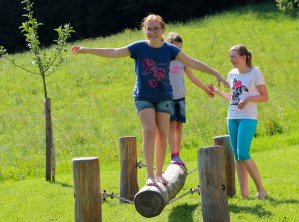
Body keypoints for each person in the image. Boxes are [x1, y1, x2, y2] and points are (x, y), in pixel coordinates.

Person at [71, 14, 228, 187]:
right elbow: (115, 52)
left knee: (162, 134)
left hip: (164, 96)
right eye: (149, 28)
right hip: (143, 97)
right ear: (144, 30)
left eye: (156, 28)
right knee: (149, 131)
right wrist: (86, 49)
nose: (152, 32)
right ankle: (150, 175)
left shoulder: (170, 49)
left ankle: (160, 173)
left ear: (162, 30)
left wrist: (216, 73)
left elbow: (192, 62)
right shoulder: (138, 47)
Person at [209, 45, 268, 200]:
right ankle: (244, 194)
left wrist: (248, 98)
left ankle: (261, 190)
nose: (231, 59)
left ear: (244, 57)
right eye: (230, 57)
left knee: (243, 153)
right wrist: (217, 91)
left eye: (234, 56)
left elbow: (264, 96)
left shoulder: (255, 73)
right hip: (232, 117)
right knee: (237, 157)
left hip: (248, 117)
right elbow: (232, 97)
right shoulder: (232, 74)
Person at [166, 32, 214, 166]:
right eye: (175, 48)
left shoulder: (183, 60)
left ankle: (178, 154)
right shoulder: (164, 59)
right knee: (171, 125)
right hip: (167, 98)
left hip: (180, 96)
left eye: (179, 48)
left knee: (179, 125)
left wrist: (205, 89)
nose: (177, 51)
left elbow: (192, 78)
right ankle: (173, 155)